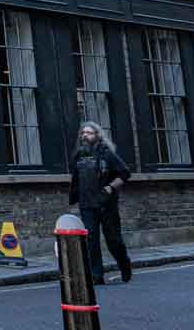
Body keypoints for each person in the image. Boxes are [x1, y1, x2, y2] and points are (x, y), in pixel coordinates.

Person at [67, 120, 133, 285]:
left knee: (113, 239)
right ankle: (97, 275)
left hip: (106, 204)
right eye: (83, 133)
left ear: (97, 135)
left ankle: (124, 265)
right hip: (87, 204)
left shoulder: (107, 153)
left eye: (89, 133)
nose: (85, 136)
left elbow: (125, 173)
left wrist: (110, 188)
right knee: (91, 240)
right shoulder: (78, 155)